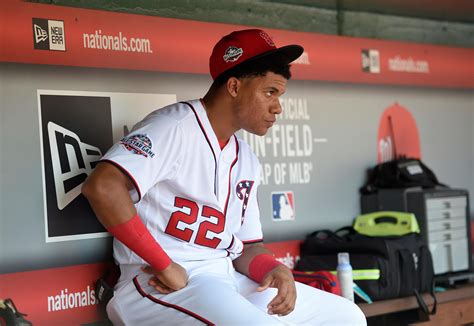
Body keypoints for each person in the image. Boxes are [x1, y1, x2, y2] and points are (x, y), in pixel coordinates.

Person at [82, 29, 366, 325]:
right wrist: (163, 264)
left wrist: (272, 268)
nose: (278, 107)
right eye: (270, 92)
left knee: (346, 316)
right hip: (160, 284)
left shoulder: (245, 158)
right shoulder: (175, 126)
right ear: (233, 86)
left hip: (224, 277)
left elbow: (247, 246)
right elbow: (103, 186)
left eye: (280, 95)